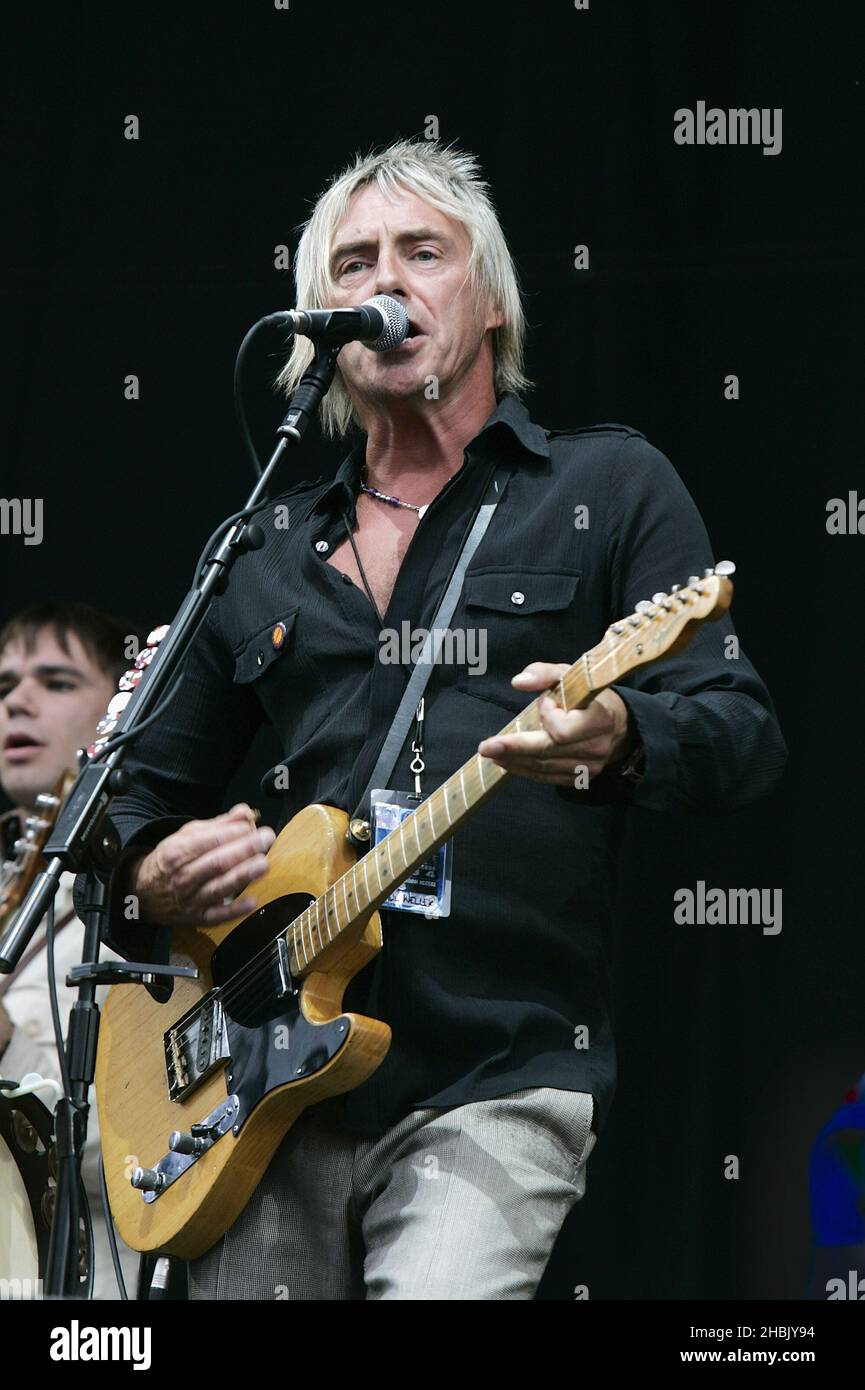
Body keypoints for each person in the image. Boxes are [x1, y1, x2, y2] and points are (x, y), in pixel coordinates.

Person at [86, 138, 787, 1300]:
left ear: (494, 302)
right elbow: (122, 805)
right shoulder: (258, 550)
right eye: (353, 262)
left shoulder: (602, 491)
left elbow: (742, 730)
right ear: (321, 326)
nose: (386, 280)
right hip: (256, 1085)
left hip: (493, 1066)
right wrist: (150, 873)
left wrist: (620, 734)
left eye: (424, 252)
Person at [0, 601, 142, 1299]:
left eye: (56, 684)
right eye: (4, 688)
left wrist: (6, 1044)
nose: (17, 704)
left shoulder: (146, 899)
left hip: (87, 1291)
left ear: (122, 711)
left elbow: (140, 1145)